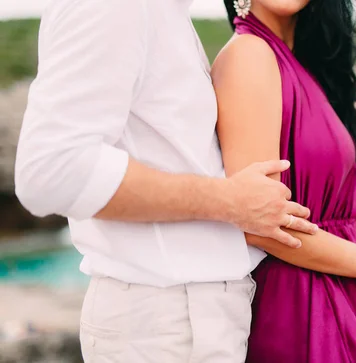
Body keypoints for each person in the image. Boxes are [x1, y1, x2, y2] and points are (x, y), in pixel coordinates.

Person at [13, 0, 325, 362]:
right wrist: (229, 201)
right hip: (166, 321)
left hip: (190, 316)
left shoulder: (165, 11)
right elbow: (51, 170)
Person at [211, 1, 356, 362]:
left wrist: (347, 215)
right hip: (301, 304)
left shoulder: (298, 60)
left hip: (333, 285)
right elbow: (258, 223)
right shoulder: (250, 54)